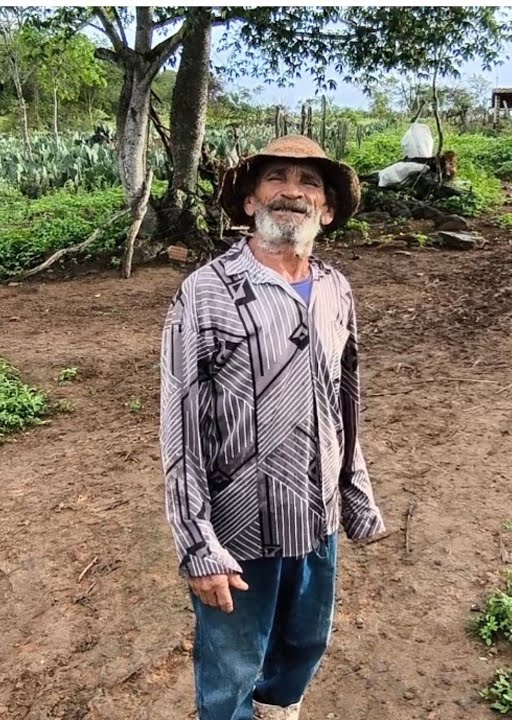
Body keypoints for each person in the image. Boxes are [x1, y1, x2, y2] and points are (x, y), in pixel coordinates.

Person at [159, 135, 387, 720]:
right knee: (230, 666)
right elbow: (179, 424)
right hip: (239, 528)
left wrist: (354, 494)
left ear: (327, 210)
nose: (293, 191)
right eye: (277, 179)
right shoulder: (205, 292)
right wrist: (196, 543)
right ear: (249, 202)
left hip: (316, 518)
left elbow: (346, 400)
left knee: (304, 645)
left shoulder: (336, 289)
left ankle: (276, 709)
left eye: (310, 182)